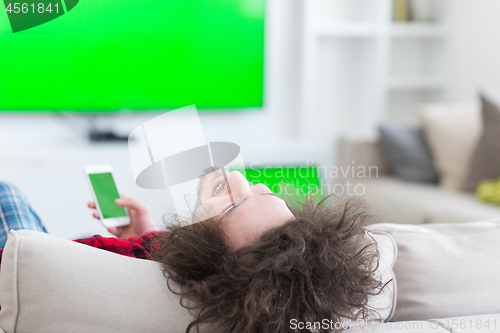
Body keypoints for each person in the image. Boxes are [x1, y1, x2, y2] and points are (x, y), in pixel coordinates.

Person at [0, 170, 385, 333]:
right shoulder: (177, 260)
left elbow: (27, 265)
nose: (239, 179)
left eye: (233, 206)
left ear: (211, 258)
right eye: (264, 192)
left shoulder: (112, 258)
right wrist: (147, 232)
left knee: (7, 192)